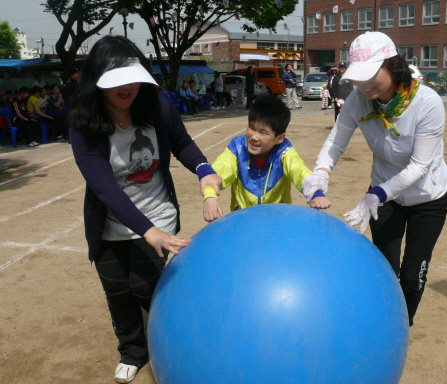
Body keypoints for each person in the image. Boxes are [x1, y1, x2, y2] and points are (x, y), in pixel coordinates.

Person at [69, 35, 221, 383]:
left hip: (159, 215)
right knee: (118, 291)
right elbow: (104, 187)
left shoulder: (157, 106)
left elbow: (183, 144)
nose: (128, 88)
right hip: (110, 223)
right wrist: (145, 230)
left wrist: (203, 169)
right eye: (117, 82)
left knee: (145, 288)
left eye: (132, 78)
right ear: (96, 83)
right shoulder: (83, 125)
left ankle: (176, 343)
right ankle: (131, 351)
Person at [303, 31, 447, 327]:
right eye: (358, 77)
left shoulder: (427, 103)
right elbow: (336, 141)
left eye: (371, 75)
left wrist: (377, 195)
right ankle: (383, 323)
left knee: (412, 274)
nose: (363, 84)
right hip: (385, 196)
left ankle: (401, 327)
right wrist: (320, 173)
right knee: (383, 268)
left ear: (393, 66)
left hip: (427, 198)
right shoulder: (359, 99)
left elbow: (419, 165)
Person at [203, 95, 330, 222]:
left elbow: (300, 172)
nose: (254, 137)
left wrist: (316, 193)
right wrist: (210, 197)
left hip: (277, 220)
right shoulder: (237, 149)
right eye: (252, 127)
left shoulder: (285, 152)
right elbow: (217, 174)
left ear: (279, 138)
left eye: (263, 132)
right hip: (243, 220)